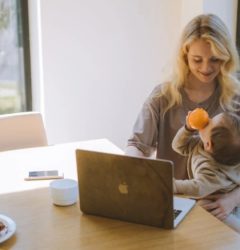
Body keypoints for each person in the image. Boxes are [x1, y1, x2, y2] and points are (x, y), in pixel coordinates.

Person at [125, 13, 240, 222]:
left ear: (227, 57)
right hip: (170, 202)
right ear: (185, 55)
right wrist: (135, 172)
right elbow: (137, 144)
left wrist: (233, 198)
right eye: (198, 60)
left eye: (215, 59)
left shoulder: (236, 99)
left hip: (219, 211)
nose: (206, 68)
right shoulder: (162, 97)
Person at [172, 111, 240, 232]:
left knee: (202, 208)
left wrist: (175, 185)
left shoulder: (211, 170)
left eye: (209, 123)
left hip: (216, 201)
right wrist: (187, 128)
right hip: (221, 193)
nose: (207, 119)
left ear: (208, 144)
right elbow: (178, 146)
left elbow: (198, 188)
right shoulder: (203, 144)